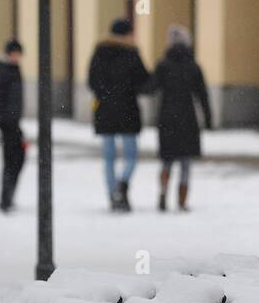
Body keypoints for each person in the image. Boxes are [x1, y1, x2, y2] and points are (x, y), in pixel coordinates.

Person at [87, 18, 150, 212]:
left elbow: (91, 81)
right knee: (131, 155)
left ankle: (113, 193)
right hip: (127, 110)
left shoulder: (99, 52)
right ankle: (122, 187)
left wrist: (104, 95)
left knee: (109, 157)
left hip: (105, 110)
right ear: (126, 34)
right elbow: (144, 81)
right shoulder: (132, 54)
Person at [147, 25, 212, 212]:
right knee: (185, 162)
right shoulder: (193, 66)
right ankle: (182, 201)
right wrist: (208, 119)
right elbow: (202, 94)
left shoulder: (163, 65)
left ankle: (163, 191)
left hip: (167, 116)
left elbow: (150, 87)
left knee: (167, 159)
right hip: (187, 117)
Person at [0, 38, 26, 213]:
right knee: (12, 159)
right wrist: (3, 121)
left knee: (16, 158)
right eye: (15, 53)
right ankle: (6, 198)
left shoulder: (12, 69)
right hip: (7, 123)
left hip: (13, 122)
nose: (17, 57)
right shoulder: (5, 70)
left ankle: (8, 196)